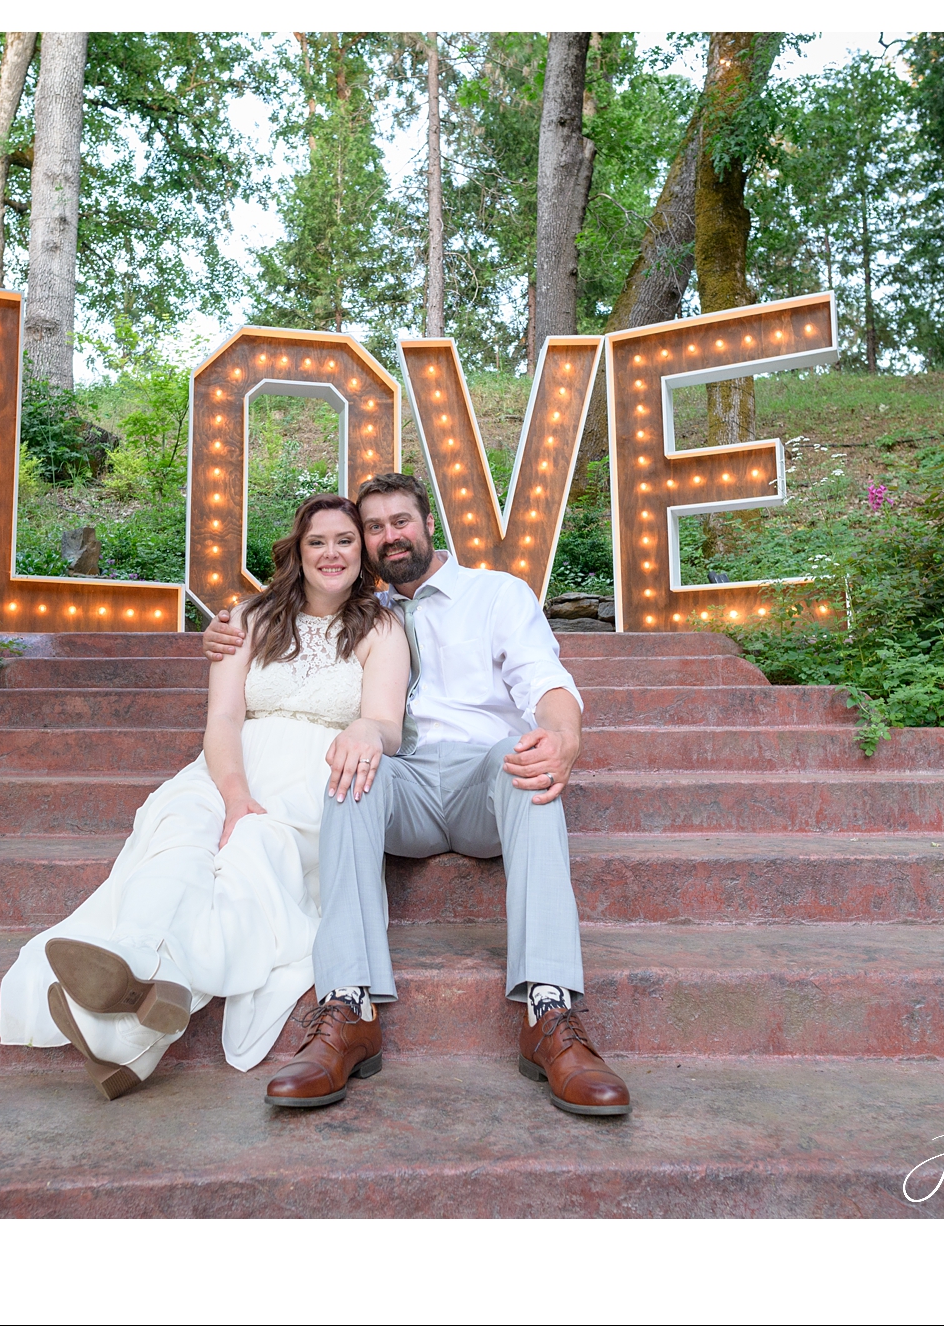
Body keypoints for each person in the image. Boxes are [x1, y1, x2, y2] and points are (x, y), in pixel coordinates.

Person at [203, 471, 631, 1117]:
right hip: (401, 780)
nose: (388, 536)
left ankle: (550, 1011)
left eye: (399, 520)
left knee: (529, 770)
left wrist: (563, 733)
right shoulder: (362, 614)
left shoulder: (496, 595)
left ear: (428, 524)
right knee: (349, 773)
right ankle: (349, 1008)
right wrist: (223, 632)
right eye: (373, 527)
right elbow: (284, 621)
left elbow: (546, 680)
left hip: (481, 777)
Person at [0, 494, 410, 1099]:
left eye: (345, 540)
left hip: (317, 777)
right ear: (297, 550)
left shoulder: (380, 627)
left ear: (362, 552)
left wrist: (365, 730)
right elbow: (222, 718)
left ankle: (130, 1026)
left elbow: (387, 724)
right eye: (317, 540)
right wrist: (234, 794)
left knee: (251, 856)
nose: (331, 552)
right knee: (180, 831)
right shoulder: (245, 620)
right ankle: (138, 973)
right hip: (228, 766)